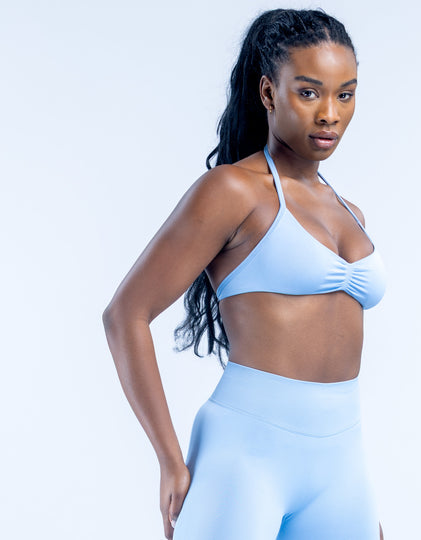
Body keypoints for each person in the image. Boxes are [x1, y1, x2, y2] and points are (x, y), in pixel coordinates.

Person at [103, 8, 387, 540]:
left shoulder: (351, 212)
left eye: (345, 94)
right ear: (268, 92)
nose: (330, 114)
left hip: (342, 459)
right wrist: (169, 459)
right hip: (245, 457)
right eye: (309, 92)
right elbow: (125, 315)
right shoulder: (233, 191)